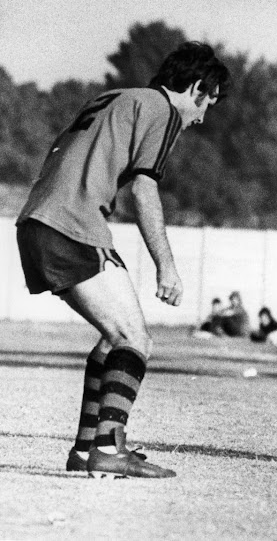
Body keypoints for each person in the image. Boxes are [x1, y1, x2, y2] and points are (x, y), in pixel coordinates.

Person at [15, 42, 230, 478]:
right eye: (208, 102)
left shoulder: (116, 98)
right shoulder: (163, 110)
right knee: (135, 338)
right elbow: (143, 189)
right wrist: (166, 266)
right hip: (70, 225)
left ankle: (85, 449)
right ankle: (110, 448)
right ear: (194, 87)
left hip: (38, 221)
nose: (202, 116)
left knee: (114, 339)